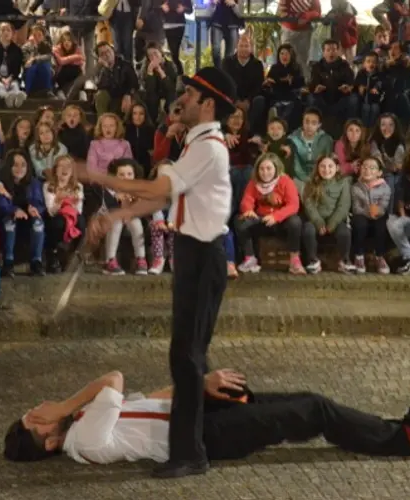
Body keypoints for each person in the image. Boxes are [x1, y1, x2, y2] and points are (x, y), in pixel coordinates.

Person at [74, 67, 237, 478]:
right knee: (184, 356)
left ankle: (191, 452)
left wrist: (96, 176)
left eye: (191, 94)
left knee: (187, 356)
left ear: (209, 104)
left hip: (202, 255)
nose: (182, 99)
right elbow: (163, 195)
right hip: (191, 251)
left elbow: (160, 191)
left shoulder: (209, 147)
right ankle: (190, 446)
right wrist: (117, 216)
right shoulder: (195, 142)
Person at [3, 369, 410, 466]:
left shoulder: (83, 421)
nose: (43, 411)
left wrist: (204, 382)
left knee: (311, 401)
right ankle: (408, 438)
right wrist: (62, 406)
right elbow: (114, 379)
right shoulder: (85, 442)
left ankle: (398, 427)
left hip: (197, 414)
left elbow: (153, 398)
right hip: (205, 437)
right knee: (311, 412)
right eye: (36, 420)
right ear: (45, 443)